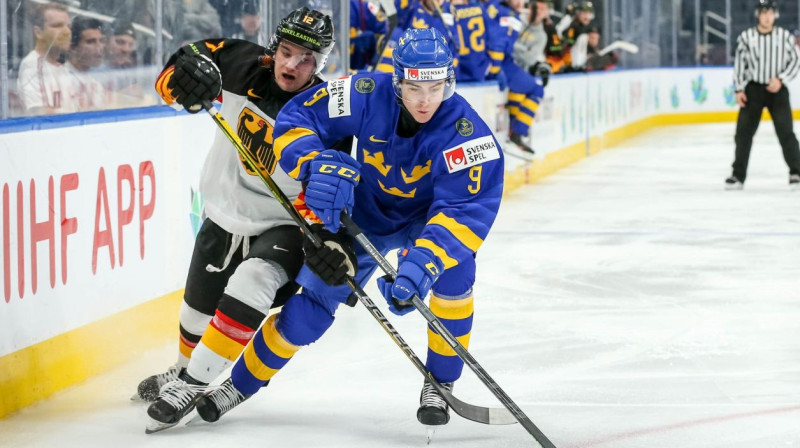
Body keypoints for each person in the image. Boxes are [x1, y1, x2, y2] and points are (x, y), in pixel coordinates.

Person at [192, 27, 504, 430]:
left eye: (436, 88)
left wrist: (425, 260)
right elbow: (298, 116)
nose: (426, 101)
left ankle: (440, 382)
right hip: (365, 215)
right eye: (414, 88)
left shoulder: (468, 134)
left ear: (449, 81)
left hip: (427, 220)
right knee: (311, 307)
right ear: (397, 82)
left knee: (456, 273)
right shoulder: (363, 92)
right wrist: (312, 162)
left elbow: (464, 208)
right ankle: (238, 385)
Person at [138, 7, 337, 433]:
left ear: (322, 63)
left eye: (307, 59)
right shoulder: (239, 61)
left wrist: (323, 233)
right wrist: (181, 82)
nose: (292, 65)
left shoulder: (328, 113)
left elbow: (326, 190)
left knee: (254, 280)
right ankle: (182, 368)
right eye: (287, 51)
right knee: (194, 314)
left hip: (281, 226)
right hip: (223, 212)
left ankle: (191, 385)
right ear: (273, 47)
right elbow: (177, 68)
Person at [727, 0, 800, 190]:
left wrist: (781, 79)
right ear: (758, 15)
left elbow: (795, 61)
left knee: (786, 132)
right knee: (743, 134)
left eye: (770, 13)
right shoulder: (746, 37)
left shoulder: (784, 36)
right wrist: (739, 89)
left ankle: (796, 172)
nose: (767, 17)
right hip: (753, 90)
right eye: (763, 12)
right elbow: (739, 65)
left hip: (777, 91)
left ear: (775, 15)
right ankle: (738, 175)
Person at [485, 0, 545, 158]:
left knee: (519, 89)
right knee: (537, 88)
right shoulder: (508, 14)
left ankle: (515, 133)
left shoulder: (497, 9)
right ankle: (517, 133)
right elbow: (497, 43)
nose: (520, 3)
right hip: (501, 62)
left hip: (498, 61)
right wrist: (495, 68)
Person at [17, 2, 76, 115]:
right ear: (38, 32)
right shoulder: (32, 66)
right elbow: (39, 114)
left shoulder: (62, 69)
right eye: (57, 26)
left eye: (69, 26)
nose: (67, 32)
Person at [513, 0, 563, 87]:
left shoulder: (542, 36)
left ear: (547, 13)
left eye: (543, 9)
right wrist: (525, 49)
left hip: (519, 74)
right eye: (537, 8)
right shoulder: (516, 20)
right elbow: (503, 44)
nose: (539, 12)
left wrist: (513, 46)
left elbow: (530, 59)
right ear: (530, 7)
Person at [66, 16, 107, 111]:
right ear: (73, 47)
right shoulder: (61, 79)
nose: (99, 48)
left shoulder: (96, 84)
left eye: (101, 41)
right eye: (91, 42)